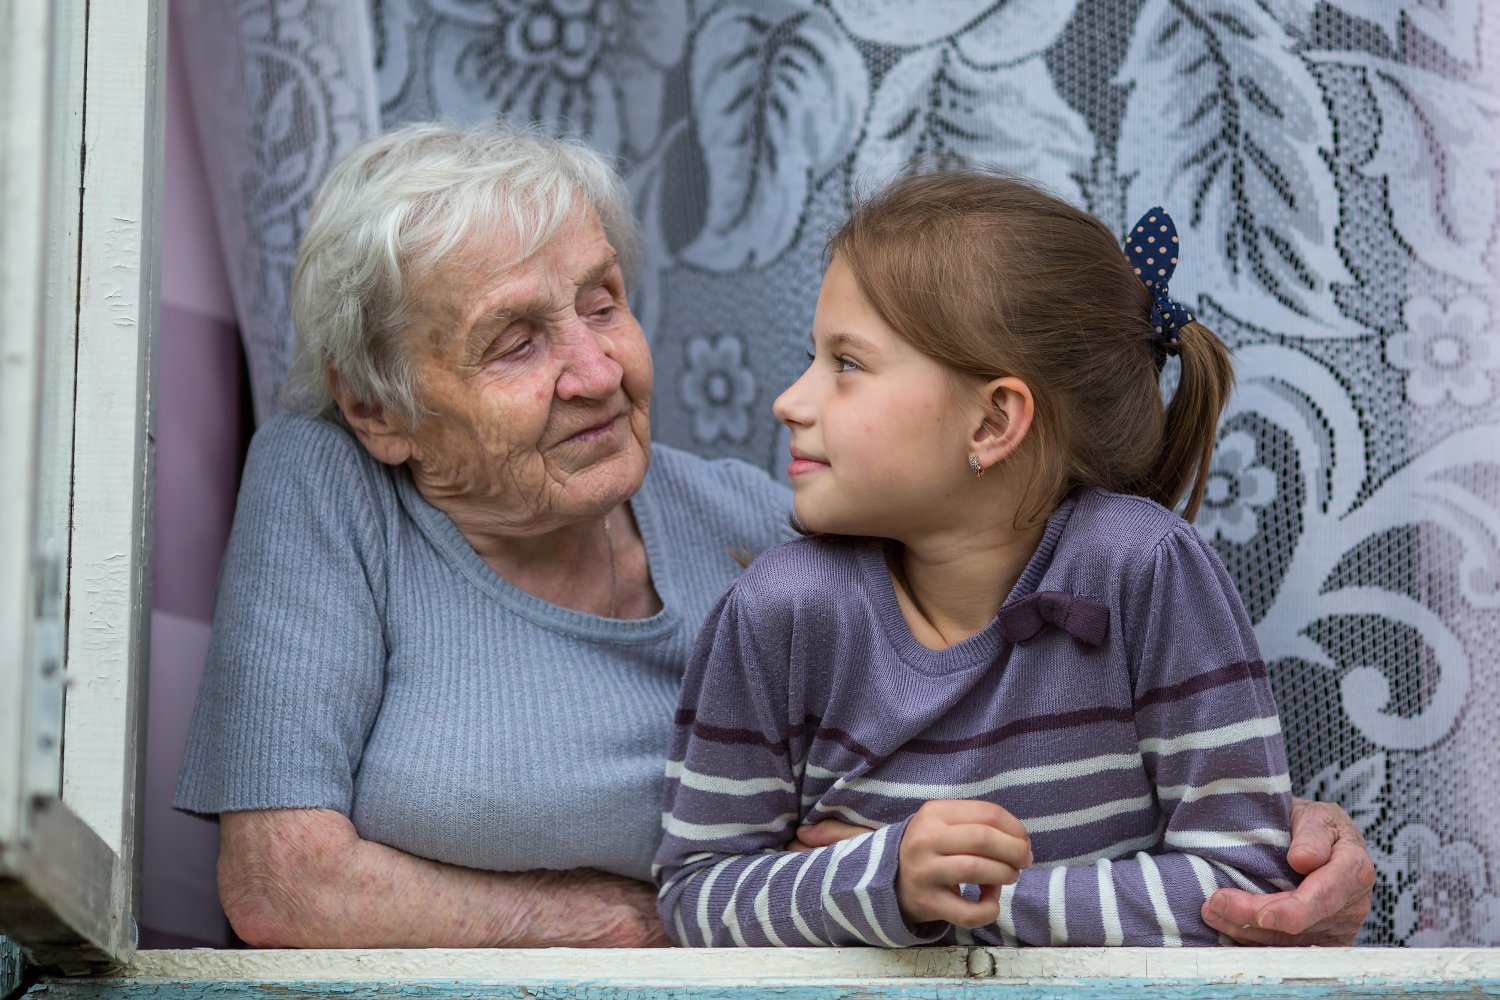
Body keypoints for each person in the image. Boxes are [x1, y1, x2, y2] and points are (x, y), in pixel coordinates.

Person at [176, 121, 1373, 949]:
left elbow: (1003, 647)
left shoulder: (768, 535)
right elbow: (285, 885)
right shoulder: (329, 482)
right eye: (517, 340)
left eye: (604, 301)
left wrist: (1276, 835)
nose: (595, 369)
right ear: (380, 406)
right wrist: (630, 927)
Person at [653, 170, 1322, 947]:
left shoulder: (1145, 571)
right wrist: (884, 880)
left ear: (993, 421)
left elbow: (1244, 884)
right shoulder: (781, 611)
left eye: (846, 364)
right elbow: (696, 894)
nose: (790, 401)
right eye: (814, 357)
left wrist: (979, 901)